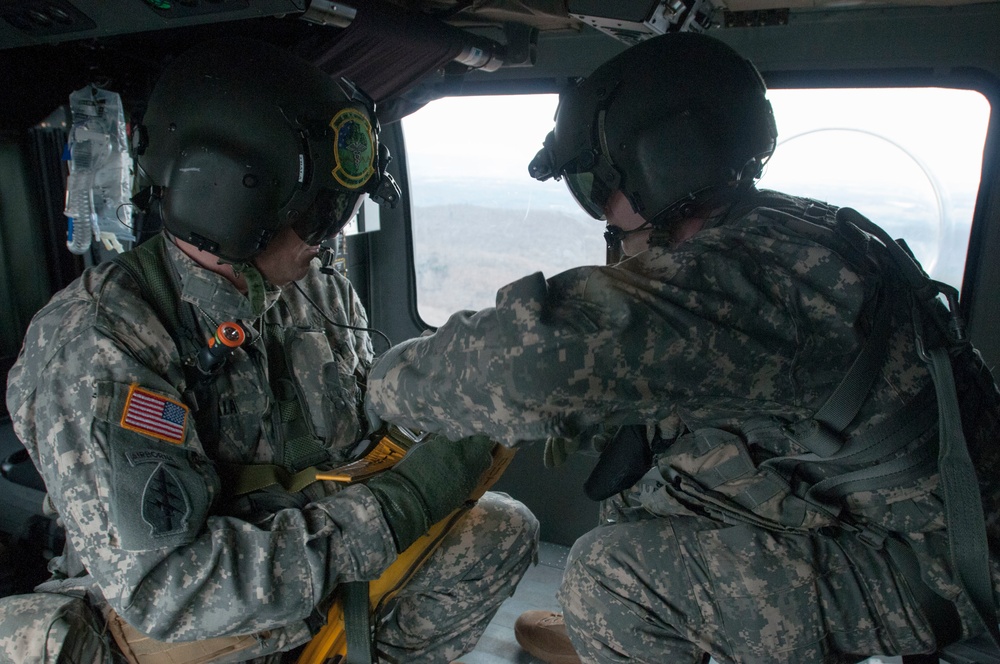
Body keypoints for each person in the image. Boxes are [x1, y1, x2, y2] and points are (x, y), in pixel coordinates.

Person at [363, 32, 1000, 664]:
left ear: (659, 163)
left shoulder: (749, 280)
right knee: (653, 476)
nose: (598, 211)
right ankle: (663, 632)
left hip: (945, 572)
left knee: (609, 579)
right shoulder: (787, 230)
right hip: (909, 522)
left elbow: (530, 363)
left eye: (594, 182)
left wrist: (382, 384)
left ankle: (632, 617)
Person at [3, 39, 537, 663]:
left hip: (315, 558)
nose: (331, 235)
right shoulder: (98, 342)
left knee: (501, 527)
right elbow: (171, 589)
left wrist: (470, 383)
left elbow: (367, 430)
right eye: (320, 212)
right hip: (192, 623)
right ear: (235, 199)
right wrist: (399, 507)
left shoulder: (313, 286)